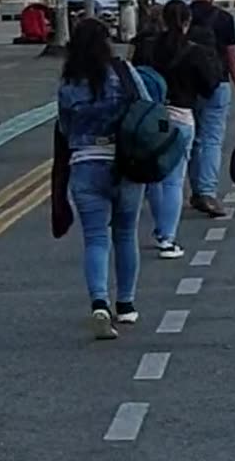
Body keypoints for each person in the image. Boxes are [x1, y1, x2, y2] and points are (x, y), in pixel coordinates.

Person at [57, 18, 145, 340]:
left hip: (84, 164)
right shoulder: (123, 72)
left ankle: (99, 302)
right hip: (125, 163)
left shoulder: (68, 84)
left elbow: (65, 129)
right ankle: (126, 304)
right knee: (125, 234)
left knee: (95, 238)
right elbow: (146, 107)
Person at [131, 0, 222, 259]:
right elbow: (209, 86)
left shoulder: (148, 48)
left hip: (150, 118)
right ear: (187, 22)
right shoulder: (194, 51)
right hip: (181, 116)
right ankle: (167, 238)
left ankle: (161, 231)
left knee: (154, 180)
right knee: (174, 181)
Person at [186, 0, 235, 218]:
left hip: (186, 87)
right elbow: (233, 58)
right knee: (211, 139)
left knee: (192, 140)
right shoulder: (223, 18)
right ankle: (207, 192)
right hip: (217, 84)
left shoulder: (183, 17)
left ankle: (195, 191)